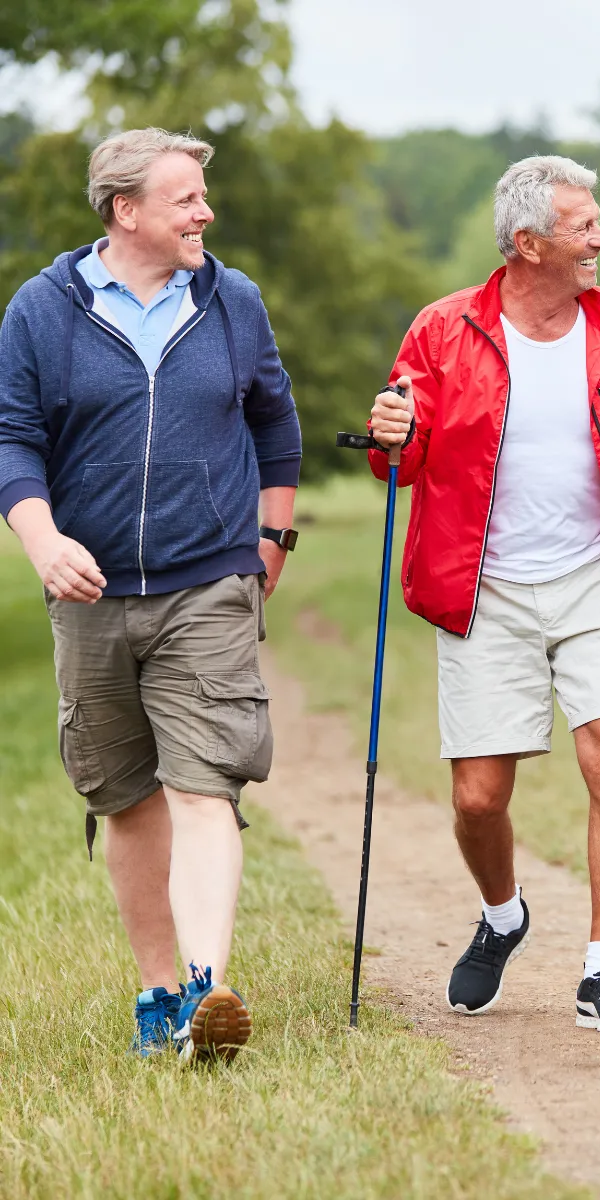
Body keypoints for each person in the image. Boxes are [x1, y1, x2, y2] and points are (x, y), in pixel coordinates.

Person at [0, 128, 303, 1059]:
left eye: (203, 197)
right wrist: (42, 540)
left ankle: (211, 989)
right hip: (87, 596)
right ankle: (161, 995)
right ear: (125, 209)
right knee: (126, 795)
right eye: (186, 200)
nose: (205, 213)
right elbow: (13, 440)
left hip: (206, 580)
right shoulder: (42, 311)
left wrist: (268, 544)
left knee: (205, 784)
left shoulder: (230, 299)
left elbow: (274, 422)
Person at [367, 156, 600, 1033]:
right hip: (482, 587)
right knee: (478, 800)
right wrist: (394, 431)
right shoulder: (441, 330)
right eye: (585, 227)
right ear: (528, 243)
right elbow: (404, 457)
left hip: (593, 576)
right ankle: (503, 916)